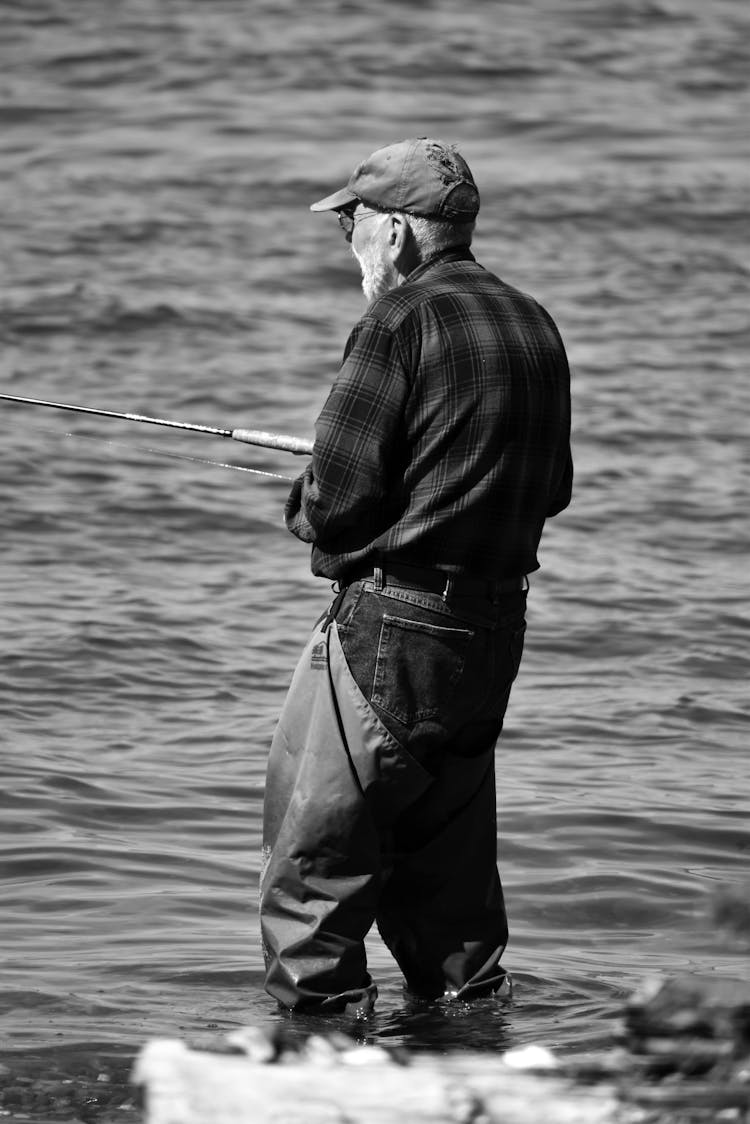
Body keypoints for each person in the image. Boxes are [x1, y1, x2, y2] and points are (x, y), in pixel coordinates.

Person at [260, 138, 573, 1016]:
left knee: (309, 881)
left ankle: (314, 1078)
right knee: (450, 895)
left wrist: (306, 497)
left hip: (389, 631)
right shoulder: (533, 321)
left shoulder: (396, 323)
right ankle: (471, 1064)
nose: (349, 246)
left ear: (396, 232)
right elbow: (553, 489)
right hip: (490, 638)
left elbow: (336, 507)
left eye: (350, 226)